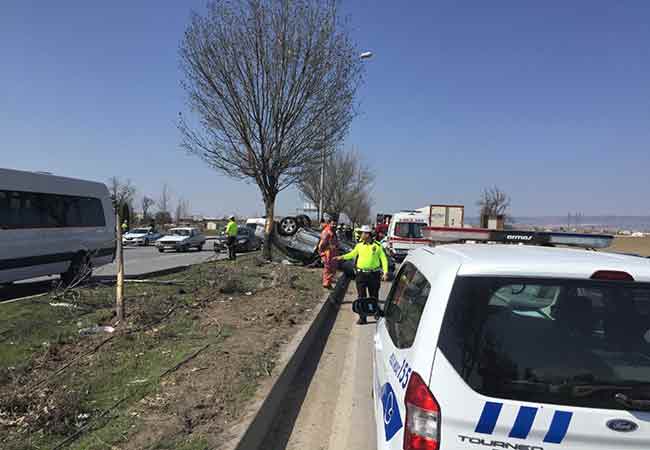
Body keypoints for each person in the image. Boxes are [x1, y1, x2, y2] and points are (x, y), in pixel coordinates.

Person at [337, 225, 389, 324]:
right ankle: (363, 317)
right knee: (361, 297)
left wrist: (385, 272)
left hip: (374, 275)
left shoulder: (377, 246)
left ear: (368, 234)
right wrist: (341, 257)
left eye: (363, 233)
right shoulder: (359, 245)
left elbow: (384, 260)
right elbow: (352, 254)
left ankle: (375, 312)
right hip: (361, 275)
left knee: (373, 296)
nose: (361, 235)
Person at [318, 213, 338, 289]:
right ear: (329, 223)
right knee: (328, 269)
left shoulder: (333, 231)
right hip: (328, 254)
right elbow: (321, 245)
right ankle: (326, 284)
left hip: (333, 253)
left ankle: (328, 283)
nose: (334, 226)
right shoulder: (326, 232)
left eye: (335, 224)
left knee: (333, 269)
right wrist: (322, 255)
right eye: (333, 224)